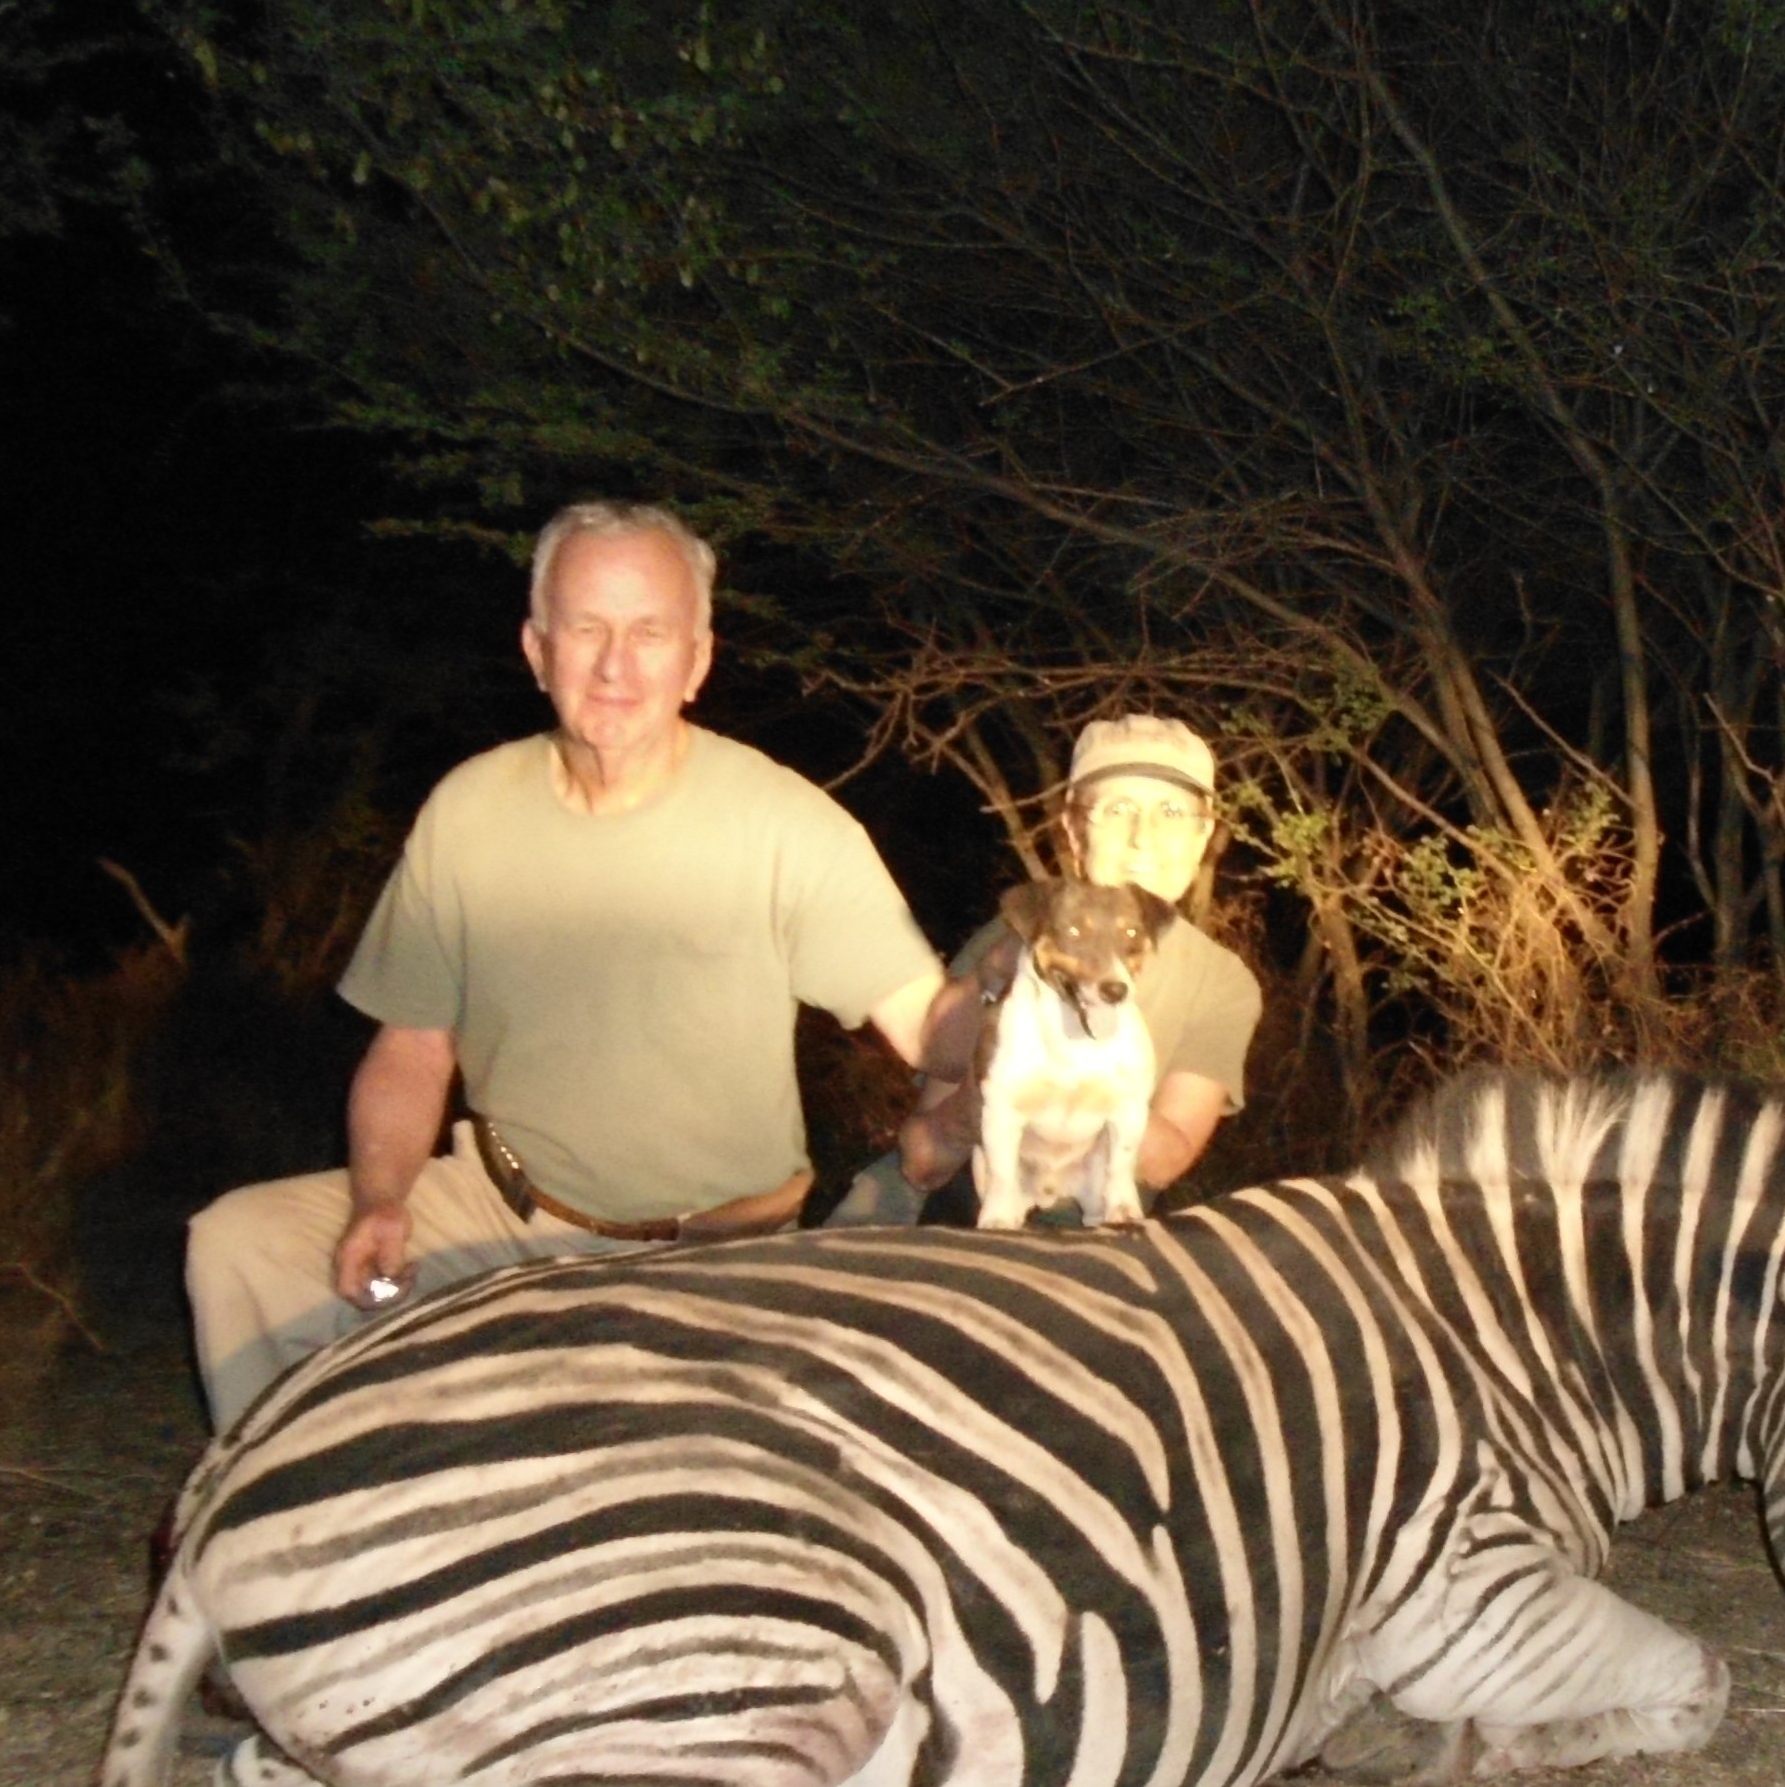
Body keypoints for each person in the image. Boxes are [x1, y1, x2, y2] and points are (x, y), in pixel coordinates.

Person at [184, 500, 944, 1428]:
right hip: (502, 1213)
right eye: (586, 630)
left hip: (710, 1251)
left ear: (698, 660)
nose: (615, 666)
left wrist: (1056, 1020)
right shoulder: (468, 810)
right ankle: (288, 1531)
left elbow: (929, 1027)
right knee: (238, 1246)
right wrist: (380, 1201)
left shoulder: (790, 828)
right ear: (538, 651)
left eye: (649, 633)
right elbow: (414, 1047)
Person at [831, 715, 1264, 1228]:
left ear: (1203, 834)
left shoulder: (1221, 981)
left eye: (1171, 812)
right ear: (1074, 832)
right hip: (957, 1211)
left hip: (1094, 1221)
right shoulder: (1011, 945)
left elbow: (1164, 1160)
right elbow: (924, 1158)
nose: (1143, 838)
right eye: (1118, 810)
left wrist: (1089, 1086)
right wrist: (999, 1089)